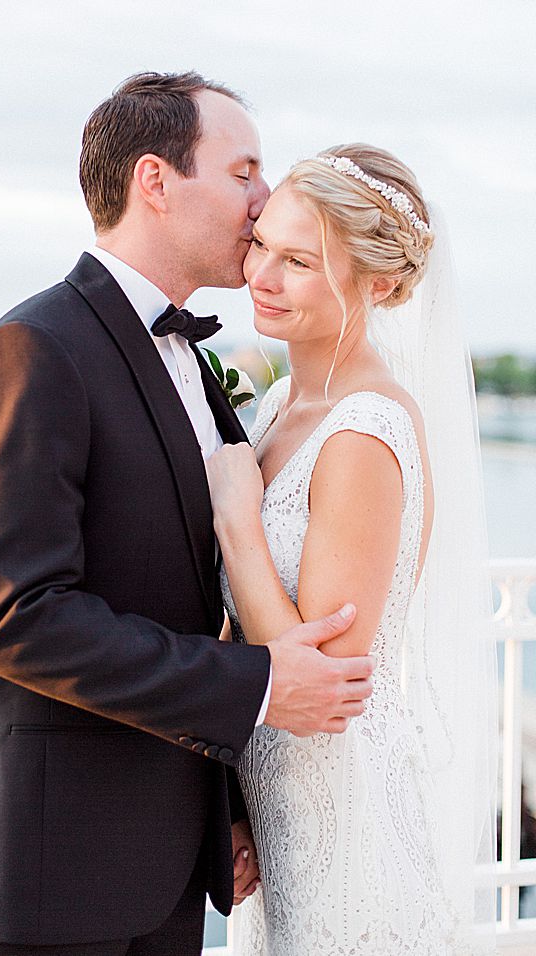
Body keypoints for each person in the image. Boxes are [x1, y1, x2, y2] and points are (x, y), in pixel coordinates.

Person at [0, 71, 379, 955]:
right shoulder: (34, 350)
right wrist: (258, 684)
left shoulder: (191, 359)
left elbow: (185, 599)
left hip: (164, 865)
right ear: (154, 180)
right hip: (41, 873)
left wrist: (222, 806)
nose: (264, 200)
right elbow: (16, 617)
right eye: (242, 172)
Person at [208, 145, 495, 952]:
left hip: (346, 820)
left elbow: (322, 680)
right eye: (262, 244)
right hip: (273, 813)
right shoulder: (277, 406)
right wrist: (227, 802)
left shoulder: (365, 430)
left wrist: (237, 522)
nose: (262, 276)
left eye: (299, 262)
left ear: (382, 284)